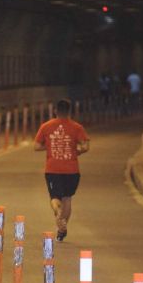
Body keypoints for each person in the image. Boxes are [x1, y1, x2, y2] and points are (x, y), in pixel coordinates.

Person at [34, 98, 89, 242]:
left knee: (54, 197)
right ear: (69, 111)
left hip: (53, 169)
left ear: (55, 111)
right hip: (72, 170)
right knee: (67, 198)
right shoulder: (77, 127)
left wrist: (51, 146)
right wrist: (77, 151)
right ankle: (62, 228)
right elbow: (85, 146)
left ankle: (58, 213)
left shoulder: (46, 126)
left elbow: (37, 146)